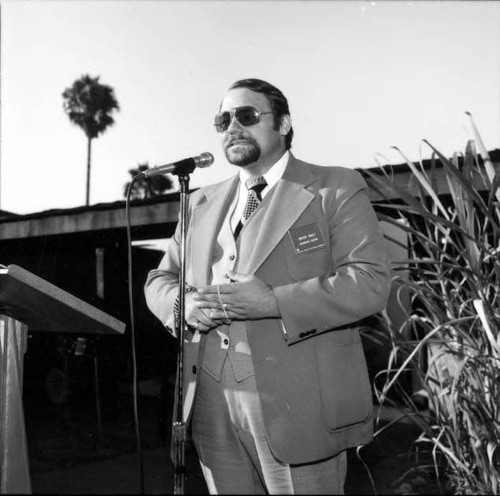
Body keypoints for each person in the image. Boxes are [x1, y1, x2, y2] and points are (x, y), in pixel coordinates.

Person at [145, 78, 391, 494]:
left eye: (246, 115)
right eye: (222, 120)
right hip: (210, 406)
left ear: (283, 124)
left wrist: (272, 302)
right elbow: (160, 279)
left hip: (299, 406)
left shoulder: (334, 187)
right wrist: (181, 306)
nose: (231, 128)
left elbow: (369, 282)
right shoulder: (200, 201)